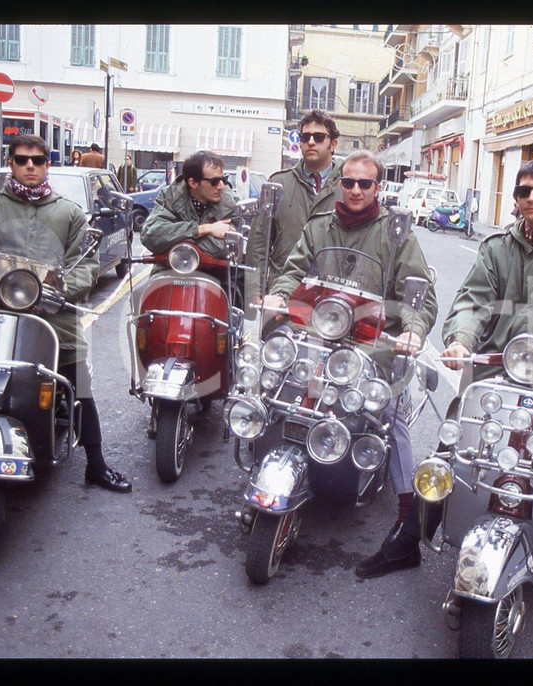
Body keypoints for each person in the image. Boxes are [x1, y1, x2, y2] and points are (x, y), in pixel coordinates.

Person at [356, 159, 533, 578]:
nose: (532, 198)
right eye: (523, 191)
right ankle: (407, 540)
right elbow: (473, 300)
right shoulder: (496, 249)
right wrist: (461, 340)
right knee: (453, 446)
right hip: (499, 373)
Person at [260, 150, 438, 579]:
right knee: (272, 380)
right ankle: (263, 458)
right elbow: (293, 269)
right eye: (349, 182)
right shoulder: (319, 226)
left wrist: (412, 331)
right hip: (319, 330)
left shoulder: (397, 234)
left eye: (365, 183)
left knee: (389, 412)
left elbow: (419, 293)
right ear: (339, 183)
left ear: (378, 187)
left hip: (373, 341)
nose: (356, 190)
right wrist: (279, 294)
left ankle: (406, 512)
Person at [0, 134, 132, 493]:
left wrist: (57, 291)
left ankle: (96, 463)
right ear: (11, 163)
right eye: (21, 159)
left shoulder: (69, 213)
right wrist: (0, 286)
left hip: (53, 311)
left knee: (78, 381)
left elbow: (85, 265)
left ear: (47, 164)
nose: (30, 166)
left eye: (37, 160)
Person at [246, 109, 345, 302]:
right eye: (305, 137)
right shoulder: (278, 184)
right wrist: (255, 291)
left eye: (319, 137)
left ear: (333, 144)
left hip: (330, 297)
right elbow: (259, 243)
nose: (311, 142)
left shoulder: (349, 187)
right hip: (282, 293)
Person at [139, 150, 237, 267]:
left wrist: (174, 240)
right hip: (171, 269)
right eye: (214, 181)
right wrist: (203, 229)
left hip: (216, 270)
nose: (221, 186)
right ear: (193, 183)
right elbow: (151, 236)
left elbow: (225, 247)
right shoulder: (171, 196)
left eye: (223, 179)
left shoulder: (228, 201)